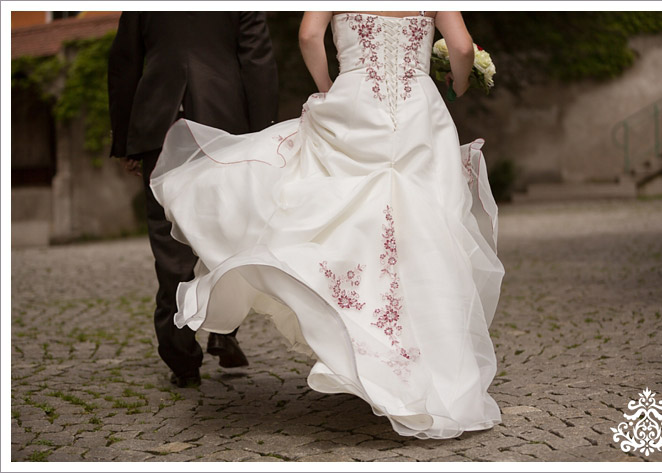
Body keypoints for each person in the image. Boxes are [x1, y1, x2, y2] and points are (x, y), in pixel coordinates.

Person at [150, 11, 504, 439]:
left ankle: (360, 345)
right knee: (427, 232)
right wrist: (460, 83)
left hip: (354, 104)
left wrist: (327, 87)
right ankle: (429, 366)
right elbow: (462, 47)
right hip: (417, 111)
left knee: (348, 226)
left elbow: (308, 34)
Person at [107, 12, 279, 387]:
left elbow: (124, 63)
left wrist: (126, 140)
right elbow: (256, 59)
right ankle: (224, 330)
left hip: (160, 122)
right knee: (227, 233)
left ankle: (180, 356)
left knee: (169, 244)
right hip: (222, 124)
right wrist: (263, 133)